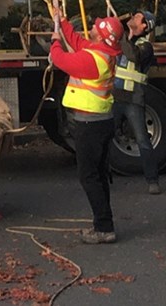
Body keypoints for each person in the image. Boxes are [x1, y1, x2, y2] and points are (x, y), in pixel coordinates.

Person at [50, 13, 124, 244]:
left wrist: (54, 41)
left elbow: (60, 59)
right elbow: (77, 42)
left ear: (101, 36)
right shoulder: (101, 53)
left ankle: (104, 228)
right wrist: (61, 21)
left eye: (95, 27)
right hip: (99, 122)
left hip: (89, 124)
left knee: (89, 176)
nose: (91, 26)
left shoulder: (92, 61)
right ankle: (103, 223)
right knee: (99, 175)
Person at [113, 10, 161, 195]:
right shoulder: (123, 41)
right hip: (116, 96)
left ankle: (152, 180)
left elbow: (134, 56)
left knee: (142, 140)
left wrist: (123, 36)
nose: (133, 18)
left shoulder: (146, 47)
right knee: (105, 136)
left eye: (138, 18)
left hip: (133, 100)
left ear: (144, 26)